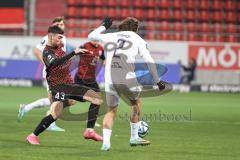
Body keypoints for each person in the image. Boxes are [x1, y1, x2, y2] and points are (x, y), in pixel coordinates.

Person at [88, 17, 165, 151]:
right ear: (135, 29)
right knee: (136, 103)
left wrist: (104, 26)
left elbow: (91, 36)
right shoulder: (138, 39)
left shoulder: (112, 36)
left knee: (111, 111)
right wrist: (158, 81)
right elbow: (149, 60)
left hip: (110, 79)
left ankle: (106, 143)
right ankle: (134, 137)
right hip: (127, 79)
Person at [26, 25, 102, 145]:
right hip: (58, 86)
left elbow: (66, 61)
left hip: (69, 84)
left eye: (62, 38)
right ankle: (32, 136)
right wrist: (73, 53)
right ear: (51, 37)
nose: (61, 41)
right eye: (59, 38)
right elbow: (55, 63)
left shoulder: (60, 46)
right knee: (55, 115)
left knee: (96, 99)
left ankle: (89, 130)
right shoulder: (47, 52)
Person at [18, 17, 67, 131]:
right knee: (56, 100)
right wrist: (47, 63)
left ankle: (27, 108)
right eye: (58, 23)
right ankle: (50, 122)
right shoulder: (48, 38)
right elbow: (36, 51)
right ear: (53, 26)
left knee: (55, 99)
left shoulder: (63, 38)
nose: (61, 25)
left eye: (62, 23)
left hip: (58, 72)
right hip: (51, 73)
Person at [74, 40, 105, 141]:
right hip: (81, 79)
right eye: (94, 39)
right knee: (70, 101)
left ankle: (90, 130)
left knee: (98, 100)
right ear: (90, 38)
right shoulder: (84, 45)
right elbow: (74, 54)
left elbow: (103, 59)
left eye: (98, 39)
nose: (96, 41)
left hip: (91, 79)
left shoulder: (101, 48)